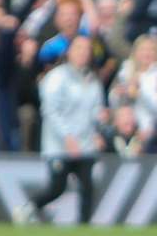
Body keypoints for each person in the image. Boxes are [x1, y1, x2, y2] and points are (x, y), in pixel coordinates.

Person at [12, 35, 103, 224]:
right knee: (57, 188)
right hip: (60, 145)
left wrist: (99, 129)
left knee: (87, 186)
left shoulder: (92, 79)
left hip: (85, 143)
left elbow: (95, 110)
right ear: (69, 52)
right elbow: (51, 111)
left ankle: (84, 227)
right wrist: (67, 137)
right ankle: (28, 209)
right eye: (79, 49)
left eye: (86, 50)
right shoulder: (57, 77)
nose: (83, 54)